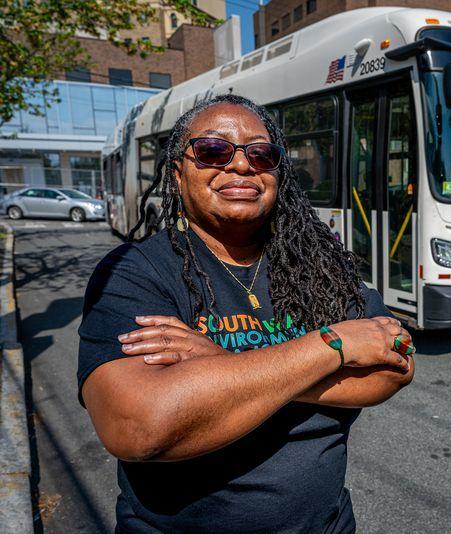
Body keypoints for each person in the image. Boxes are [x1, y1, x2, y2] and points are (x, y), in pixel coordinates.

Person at [78, 94, 415, 533]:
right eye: (213, 150)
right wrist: (334, 344)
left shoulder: (320, 266)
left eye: (261, 153)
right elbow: (138, 425)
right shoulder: (137, 272)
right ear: (178, 174)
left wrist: (222, 364)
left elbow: (398, 362)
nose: (241, 166)